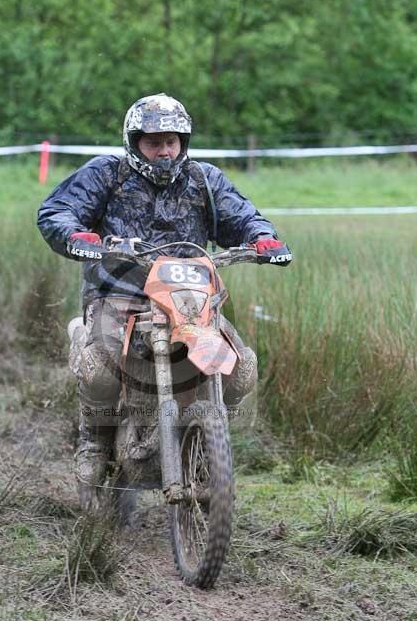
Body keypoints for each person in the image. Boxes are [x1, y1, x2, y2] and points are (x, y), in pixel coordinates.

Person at [37, 93, 290, 506]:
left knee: (241, 369)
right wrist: (76, 235)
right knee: (101, 370)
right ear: (135, 142)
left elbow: (242, 216)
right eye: (154, 142)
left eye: (171, 141)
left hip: (190, 301)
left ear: (182, 142)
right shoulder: (106, 174)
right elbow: (57, 211)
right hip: (120, 295)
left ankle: (207, 437)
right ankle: (94, 441)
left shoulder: (204, 179)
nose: (165, 151)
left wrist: (262, 238)